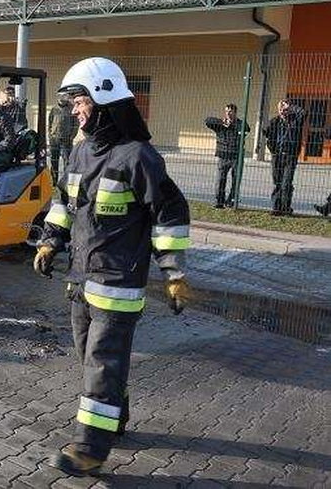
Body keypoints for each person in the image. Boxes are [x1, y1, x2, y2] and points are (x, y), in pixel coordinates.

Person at [33, 57, 191, 477]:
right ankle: (113, 418)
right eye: (72, 104)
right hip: (81, 283)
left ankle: (90, 448)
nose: (74, 111)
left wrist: (174, 273)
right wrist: (50, 242)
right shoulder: (82, 151)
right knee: (92, 360)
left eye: (80, 102)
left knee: (102, 362)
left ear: (103, 100)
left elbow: (169, 214)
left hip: (118, 286)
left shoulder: (138, 157)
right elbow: (65, 204)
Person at [263, 99, 304, 216]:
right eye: (281, 109)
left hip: (290, 156)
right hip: (277, 156)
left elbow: (303, 113)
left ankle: (286, 208)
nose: (283, 111)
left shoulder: (295, 120)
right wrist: (273, 150)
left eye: (285, 109)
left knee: (286, 183)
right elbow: (268, 136)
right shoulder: (274, 121)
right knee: (277, 183)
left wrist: (290, 106)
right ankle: (276, 208)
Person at [204, 103, 250, 208]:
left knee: (236, 181)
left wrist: (233, 125)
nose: (228, 113)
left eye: (230, 111)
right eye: (226, 111)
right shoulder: (219, 124)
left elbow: (247, 129)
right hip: (223, 156)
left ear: (235, 112)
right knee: (220, 180)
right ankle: (219, 202)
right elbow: (207, 121)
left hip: (236, 157)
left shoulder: (241, 124)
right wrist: (221, 122)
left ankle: (231, 201)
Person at [48, 97, 78, 182]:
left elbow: (75, 124)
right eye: (60, 96)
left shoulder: (71, 108)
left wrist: (71, 136)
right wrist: (50, 134)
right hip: (54, 138)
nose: (61, 98)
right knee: (54, 160)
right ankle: (53, 181)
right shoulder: (54, 109)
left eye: (63, 96)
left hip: (66, 139)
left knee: (67, 161)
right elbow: (50, 121)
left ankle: (66, 182)